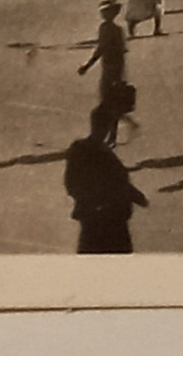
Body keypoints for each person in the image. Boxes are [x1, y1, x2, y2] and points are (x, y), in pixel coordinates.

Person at [63, 104, 148, 254]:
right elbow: (117, 184)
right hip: (108, 222)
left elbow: (71, 183)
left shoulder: (81, 149)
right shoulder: (95, 152)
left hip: (98, 219)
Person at [78, 0, 131, 146]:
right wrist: (87, 66)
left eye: (107, 12)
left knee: (111, 104)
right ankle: (109, 134)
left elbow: (120, 54)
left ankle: (112, 136)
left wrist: (120, 76)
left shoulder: (117, 31)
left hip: (114, 71)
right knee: (107, 104)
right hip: (106, 70)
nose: (104, 14)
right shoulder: (104, 28)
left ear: (113, 13)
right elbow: (100, 50)